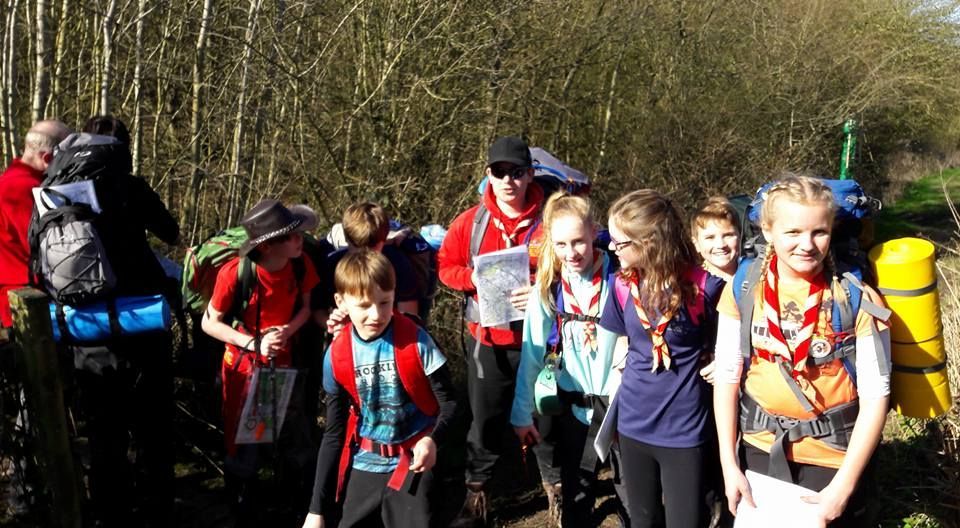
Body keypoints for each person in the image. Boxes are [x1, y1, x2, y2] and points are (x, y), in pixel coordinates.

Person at [712, 176, 890, 527]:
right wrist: (729, 466)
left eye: (819, 232)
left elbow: (876, 396)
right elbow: (727, 377)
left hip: (834, 459)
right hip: (759, 450)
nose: (807, 245)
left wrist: (842, 488)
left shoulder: (857, 299)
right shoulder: (745, 287)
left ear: (832, 230)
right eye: (792, 233)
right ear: (767, 231)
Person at [437, 135, 549, 525]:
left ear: (529, 174)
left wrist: (540, 287)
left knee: (546, 415)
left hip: (541, 340)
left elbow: (575, 266)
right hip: (487, 339)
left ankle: (557, 493)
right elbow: (444, 267)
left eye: (516, 172)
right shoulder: (470, 222)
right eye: (499, 172)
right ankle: (476, 496)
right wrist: (477, 279)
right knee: (485, 418)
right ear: (488, 175)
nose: (508, 181)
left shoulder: (549, 220)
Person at [303, 249, 457, 528]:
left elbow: (450, 404)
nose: (376, 314)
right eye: (364, 305)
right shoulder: (337, 356)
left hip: (414, 461)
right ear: (341, 302)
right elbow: (334, 434)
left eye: (385, 302)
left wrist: (432, 440)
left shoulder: (416, 342)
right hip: (366, 463)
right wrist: (317, 510)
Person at [599, 189, 724, 528]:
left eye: (620, 243)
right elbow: (622, 342)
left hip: (684, 428)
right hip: (633, 423)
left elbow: (731, 346)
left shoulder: (705, 288)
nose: (612, 249)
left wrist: (720, 361)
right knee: (643, 520)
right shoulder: (621, 285)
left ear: (651, 242)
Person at [510, 192, 628, 526]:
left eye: (578, 241)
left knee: (633, 498)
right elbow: (532, 353)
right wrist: (521, 414)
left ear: (594, 231)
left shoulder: (620, 279)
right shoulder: (549, 289)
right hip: (576, 410)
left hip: (622, 405)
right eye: (561, 244)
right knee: (577, 499)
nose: (571, 253)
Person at [202, 199, 320, 525]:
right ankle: (243, 505)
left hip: (284, 363)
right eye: (292, 236)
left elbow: (306, 309)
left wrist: (286, 331)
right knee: (245, 437)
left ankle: (296, 500)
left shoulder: (301, 264)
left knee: (293, 432)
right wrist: (254, 343)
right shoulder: (235, 273)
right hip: (243, 368)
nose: (301, 240)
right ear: (268, 246)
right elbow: (209, 323)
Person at [0, 120, 71, 330]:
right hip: (26, 312)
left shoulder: (7, 182)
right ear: (48, 159)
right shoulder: (28, 191)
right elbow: (55, 254)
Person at [312, 202, 420, 326]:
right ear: (346, 239)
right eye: (357, 246)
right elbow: (318, 310)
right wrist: (335, 325)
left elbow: (409, 317)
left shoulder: (398, 265)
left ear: (384, 240)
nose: (365, 254)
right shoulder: (332, 265)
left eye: (372, 246)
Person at [691, 197, 741, 283]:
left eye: (728, 235)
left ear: (740, 236)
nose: (720, 245)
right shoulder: (690, 285)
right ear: (696, 244)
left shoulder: (754, 275)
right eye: (710, 237)